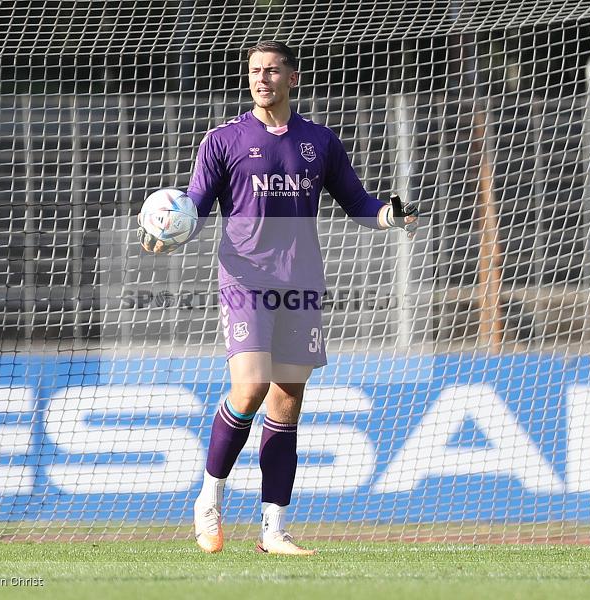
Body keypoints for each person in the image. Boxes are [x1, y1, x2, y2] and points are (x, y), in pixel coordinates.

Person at [138, 40, 418, 555]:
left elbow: (357, 202)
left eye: (271, 70)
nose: (261, 79)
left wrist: (389, 215)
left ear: (292, 78)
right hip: (245, 279)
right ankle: (209, 500)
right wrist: (169, 230)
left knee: (287, 401)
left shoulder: (319, 141)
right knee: (250, 387)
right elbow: (195, 204)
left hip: (302, 281)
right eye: (254, 71)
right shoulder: (223, 140)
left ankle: (274, 530)